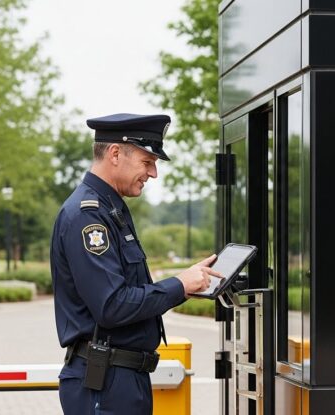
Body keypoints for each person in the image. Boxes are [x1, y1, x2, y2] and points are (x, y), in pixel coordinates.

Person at [50, 113, 220, 414]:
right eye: (147, 162)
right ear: (115, 153)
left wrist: (185, 285)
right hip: (105, 383)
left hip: (121, 380)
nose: (153, 173)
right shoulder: (89, 215)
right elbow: (112, 305)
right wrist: (178, 285)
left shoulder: (110, 209)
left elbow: (127, 294)